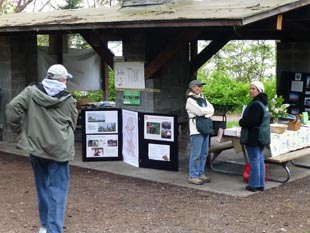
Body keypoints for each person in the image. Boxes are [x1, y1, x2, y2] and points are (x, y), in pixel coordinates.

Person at [5, 64, 78, 233]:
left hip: (36, 149)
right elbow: (72, 123)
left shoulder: (30, 93)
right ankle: (54, 230)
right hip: (60, 151)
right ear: (63, 80)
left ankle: (45, 225)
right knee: (58, 192)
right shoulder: (68, 100)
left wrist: (20, 131)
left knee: (42, 186)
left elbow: (12, 109)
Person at [239, 81, 270, 192]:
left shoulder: (256, 104)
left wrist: (241, 122)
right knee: (259, 159)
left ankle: (253, 184)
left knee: (254, 159)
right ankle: (260, 183)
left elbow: (252, 121)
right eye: (250, 88)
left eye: (254, 89)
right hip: (260, 135)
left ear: (259, 90)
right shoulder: (263, 103)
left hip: (253, 136)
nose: (251, 91)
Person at [185, 80, 214, 185]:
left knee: (204, 153)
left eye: (201, 86)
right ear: (192, 87)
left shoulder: (203, 98)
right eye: (198, 86)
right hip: (196, 130)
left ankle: (200, 173)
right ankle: (193, 175)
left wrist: (204, 112)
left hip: (204, 128)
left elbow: (212, 109)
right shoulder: (190, 100)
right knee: (196, 154)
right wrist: (206, 112)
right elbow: (200, 111)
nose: (200, 88)